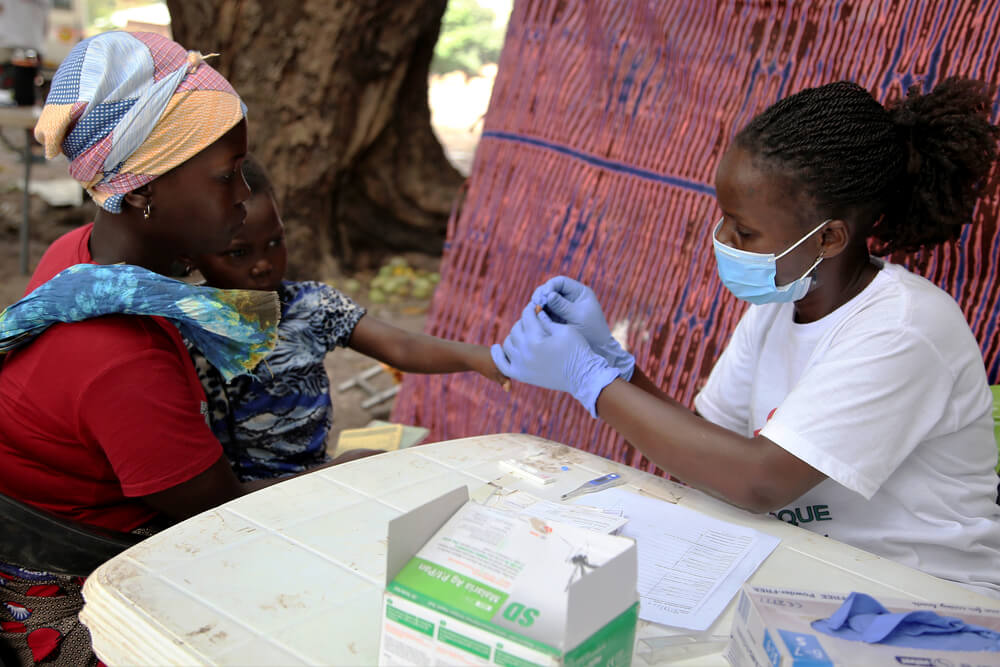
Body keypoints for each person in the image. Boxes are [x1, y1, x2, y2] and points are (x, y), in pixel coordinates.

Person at [492, 78, 1000, 597]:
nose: (723, 239)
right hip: (816, 574)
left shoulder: (904, 329)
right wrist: (615, 364)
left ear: (828, 237)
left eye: (745, 230)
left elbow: (759, 482)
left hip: (928, 598)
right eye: (725, 218)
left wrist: (591, 381)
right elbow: (708, 449)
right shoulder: (784, 301)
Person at [0, 32, 351, 665]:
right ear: (139, 192)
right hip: (64, 592)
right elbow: (219, 519)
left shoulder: (84, 261)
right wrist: (344, 480)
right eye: (227, 176)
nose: (245, 194)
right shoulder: (120, 360)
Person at [186, 155, 506, 480]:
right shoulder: (184, 324)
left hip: (315, 479)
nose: (263, 263)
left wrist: (479, 356)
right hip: (234, 503)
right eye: (239, 252)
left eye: (274, 242)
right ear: (193, 254)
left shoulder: (313, 304)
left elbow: (402, 346)